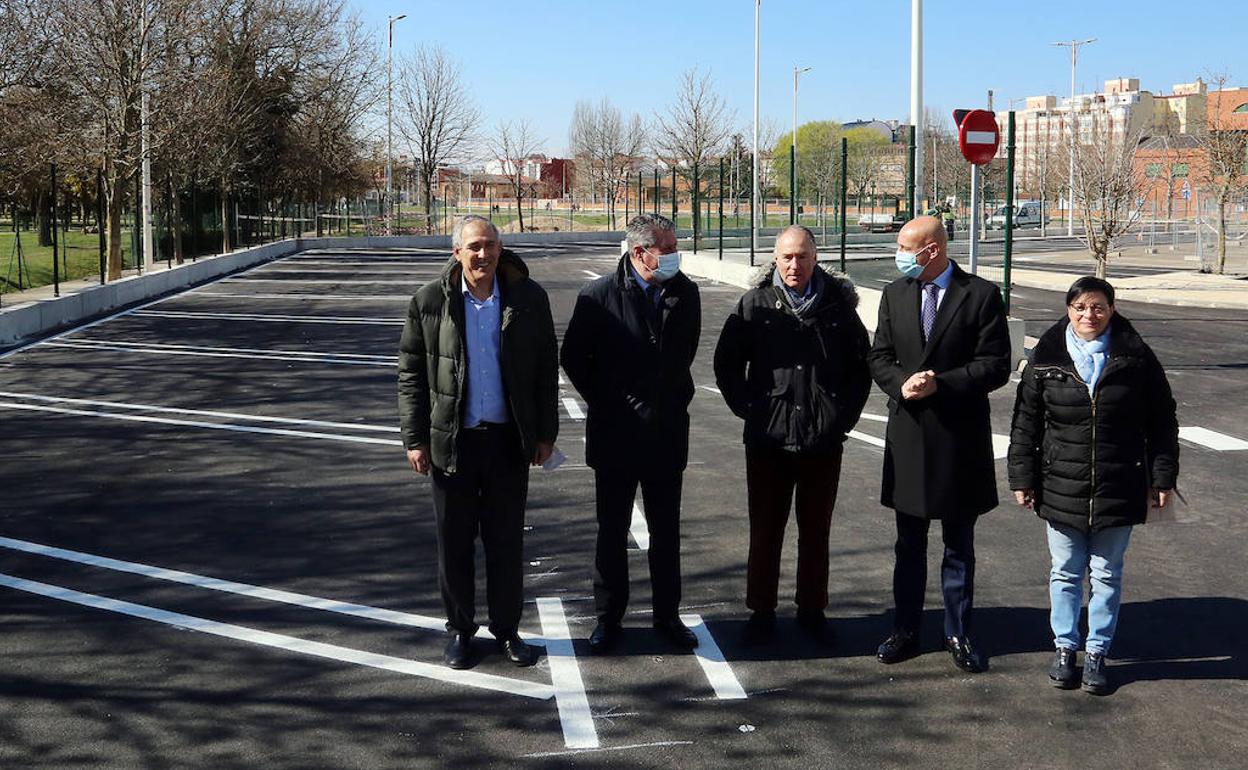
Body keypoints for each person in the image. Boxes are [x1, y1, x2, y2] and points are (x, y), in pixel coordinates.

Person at [397, 215, 559, 670]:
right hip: (453, 443)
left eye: (490, 246)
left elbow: (547, 368)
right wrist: (415, 439)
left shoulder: (528, 299)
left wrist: (546, 433)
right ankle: (460, 632)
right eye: (473, 247)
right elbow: (410, 376)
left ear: (501, 249)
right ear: (457, 253)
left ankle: (507, 629)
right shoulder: (430, 302)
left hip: (508, 442)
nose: (482, 255)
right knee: (454, 544)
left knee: (506, 543)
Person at [1007, 276, 1178, 695]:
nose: (1090, 315)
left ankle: (1097, 652)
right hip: (1060, 483)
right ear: (1069, 310)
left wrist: (1162, 477)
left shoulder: (1136, 358)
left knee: (1107, 574)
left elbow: (1162, 421)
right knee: (1064, 573)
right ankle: (1066, 648)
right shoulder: (1047, 359)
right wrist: (1022, 476)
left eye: (1098, 307)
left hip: (1119, 482)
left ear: (1112, 310)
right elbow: (1025, 423)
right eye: (1081, 307)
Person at [713, 225, 871, 643]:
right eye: (786, 257)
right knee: (765, 530)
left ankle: (812, 610)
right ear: (775, 259)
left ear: (815, 258)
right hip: (768, 441)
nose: (794, 265)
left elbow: (860, 369)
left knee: (816, 530)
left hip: (822, 440)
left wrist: (842, 419)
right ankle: (761, 612)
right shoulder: (754, 304)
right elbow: (727, 365)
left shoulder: (838, 307)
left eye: (802, 256)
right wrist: (751, 410)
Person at [868, 214, 1011, 673]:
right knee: (908, 544)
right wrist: (900, 383)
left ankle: (957, 631)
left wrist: (942, 383)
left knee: (958, 544)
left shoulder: (981, 296)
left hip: (958, 439)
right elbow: (879, 355)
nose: (900, 256)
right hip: (909, 435)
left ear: (932, 250)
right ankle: (905, 629)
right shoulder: (896, 293)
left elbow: (995, 364)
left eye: (906, 248)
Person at [560, 213, 702, 654]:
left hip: (665, 433)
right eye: (667, 249)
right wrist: (610, 400)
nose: (675, 257)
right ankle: (608, 619)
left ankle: (667, 616)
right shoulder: (598, 296)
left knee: (666, 532)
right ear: (639, 253)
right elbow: (574, 358)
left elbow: (683, 355)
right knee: (612, 530)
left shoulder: (686, 292)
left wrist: (667, 400)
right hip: (615, 434)